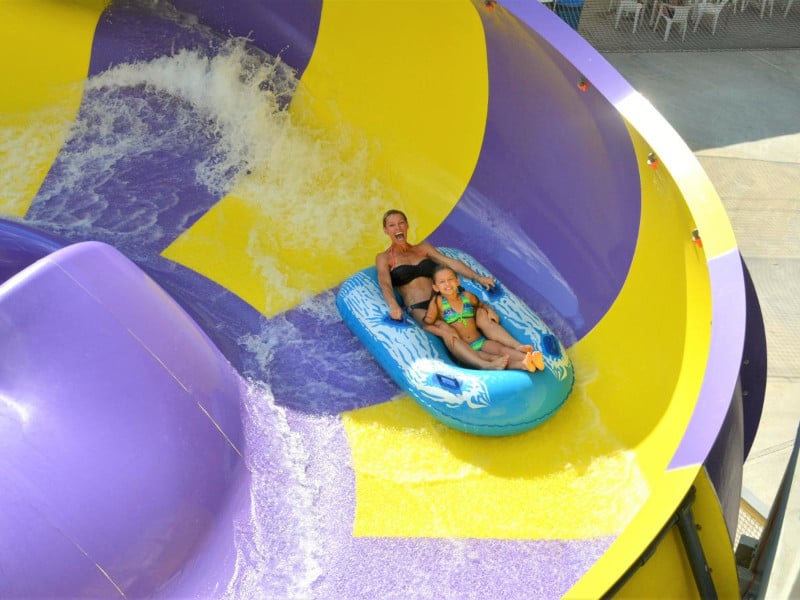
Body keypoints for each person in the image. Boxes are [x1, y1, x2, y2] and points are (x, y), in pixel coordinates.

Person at [376, 208, 518, 370]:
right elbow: (385, 283)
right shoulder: (384, 258)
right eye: (392, 225)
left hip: (442, 300)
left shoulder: (423, 248)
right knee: (447, 330)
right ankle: (485, 364)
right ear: (386, 231)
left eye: (401, 223)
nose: (398, 228)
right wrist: (393, 305)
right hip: (420, 307)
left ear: (407, 226)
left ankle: (517, 350)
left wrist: (478, 278)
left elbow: (451, 263)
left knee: (480, 316)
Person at [424, 265, 545, 372]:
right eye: (442, 282)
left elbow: (481, 305)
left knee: (502, 350)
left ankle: (527, 360)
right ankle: (513, 364)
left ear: (457, 281)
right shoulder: (438, 302)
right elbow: (427, 325)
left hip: (480, 341)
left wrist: (489, 310)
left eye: (450, 280)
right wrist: (444, 333)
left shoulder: (467, 296)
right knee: (494, 359)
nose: (447, 284)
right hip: (464, 348)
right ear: (436, 287)